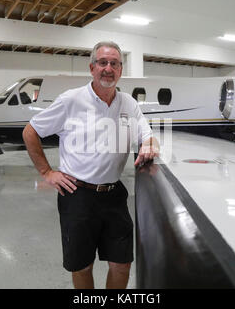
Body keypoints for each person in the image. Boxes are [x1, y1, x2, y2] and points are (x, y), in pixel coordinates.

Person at [22, 41, 159, 289]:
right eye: (103, 62)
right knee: (82, 265)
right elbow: (31, 131)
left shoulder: (129, 104)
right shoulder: (71, 100)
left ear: (120, 69)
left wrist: (150, 144)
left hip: (115, 195)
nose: (108, 68)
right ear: (92, 67)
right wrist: (47, 172)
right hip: (77, 196)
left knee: (122, 263)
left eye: (114, 63)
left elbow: (147, 135)